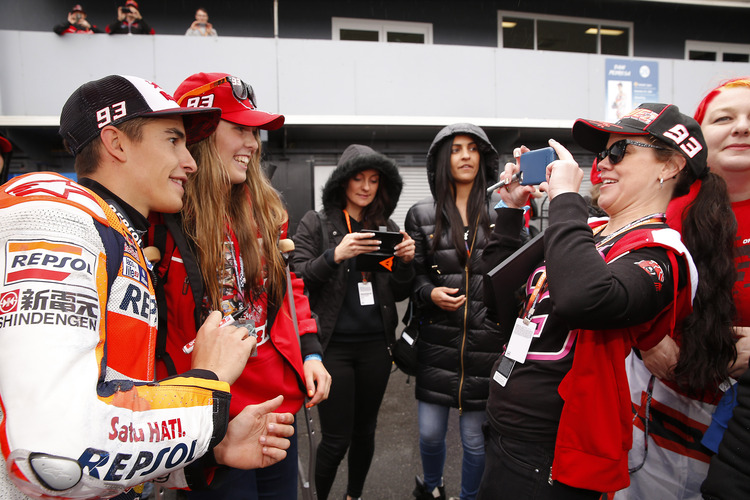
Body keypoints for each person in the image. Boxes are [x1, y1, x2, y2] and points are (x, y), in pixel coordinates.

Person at [0, 75, 296, 500]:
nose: (191, 161)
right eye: (173, 140)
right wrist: (207, 382)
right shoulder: (54, 213)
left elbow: (112, 419)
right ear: (116, 143)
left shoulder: (119, 234)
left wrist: (210, 452)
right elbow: (51, 454)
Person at [476, 103, 735, 499]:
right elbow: (497, 296)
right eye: (601, 154)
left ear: (669, 167)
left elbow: (584, 299)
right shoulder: (588, 228)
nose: (602, 164)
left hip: (555, 451)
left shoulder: (662, 253)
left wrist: (565, 198)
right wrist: (511, 210)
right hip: (504, 425)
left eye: (619, 152)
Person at [142, 72, 331, 500]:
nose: (253, 142)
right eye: (239, 128)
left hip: (277, 406)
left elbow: (290, 286)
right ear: (202, 133)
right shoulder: (161, 218)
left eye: (255, 130)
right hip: (210, 418)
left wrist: (312, 351)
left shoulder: (266, 207)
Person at [643, 77, 750, 499]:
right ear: (698, 137)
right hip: (663, 414)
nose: (742, 127)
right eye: (726, 118)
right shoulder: (658, 211)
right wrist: (646, 339)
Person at [291, 144, 416, 500]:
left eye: (374, 180)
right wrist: (335, 255)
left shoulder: (385, 227)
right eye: (358, 178)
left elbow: (400, 289)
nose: (365, 186)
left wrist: (406, 261)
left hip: (377, 345)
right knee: (335, 438)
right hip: (332, 347)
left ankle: (354, 495)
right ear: (342, 182)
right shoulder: (316, 222)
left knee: (366, 433)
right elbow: (297, 277)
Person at [404, 123, 509, 500]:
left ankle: (468, 497)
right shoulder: (420, 214)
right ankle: (431, 488)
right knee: (430, 433)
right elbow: (412, 279)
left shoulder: (502, 215)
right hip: (437, 342)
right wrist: (430, 294)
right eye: (455, 149)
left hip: (486, 344)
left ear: (482, 158)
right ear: (442, 161)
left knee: (474, 440)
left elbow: (518, 276)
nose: (465, 156)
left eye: (472, 149)